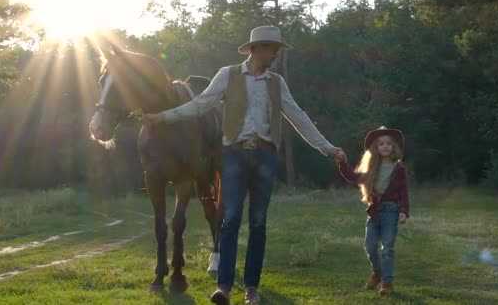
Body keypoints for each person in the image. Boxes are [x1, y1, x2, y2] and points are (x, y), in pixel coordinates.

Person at [141, 25, 346, 305]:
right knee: (231, 219)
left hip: (264, 157)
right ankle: (223, 287)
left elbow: (298, 117)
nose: (275, 54)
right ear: (256, 49)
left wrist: (328, 148)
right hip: (234, 154)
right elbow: (200, 105)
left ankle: (251, 288)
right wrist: (163, 118)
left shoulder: (277, 83)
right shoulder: (227, 75)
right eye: (272, 49)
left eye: (276, 49)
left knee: (258, 223)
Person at [336, 126, 409, 295]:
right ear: (375, 147)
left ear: (394, 147)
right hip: (374, 211)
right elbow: (353, 177)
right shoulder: (372, 168)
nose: (385, 146)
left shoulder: (399, 169)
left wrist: (404, 210)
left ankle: (387, 283)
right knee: (369, 246)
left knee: (388, 248)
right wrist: (342, 162)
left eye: (389, 144)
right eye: (381, 143)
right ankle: (377, 272)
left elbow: (404, 192)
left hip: (391, 210)